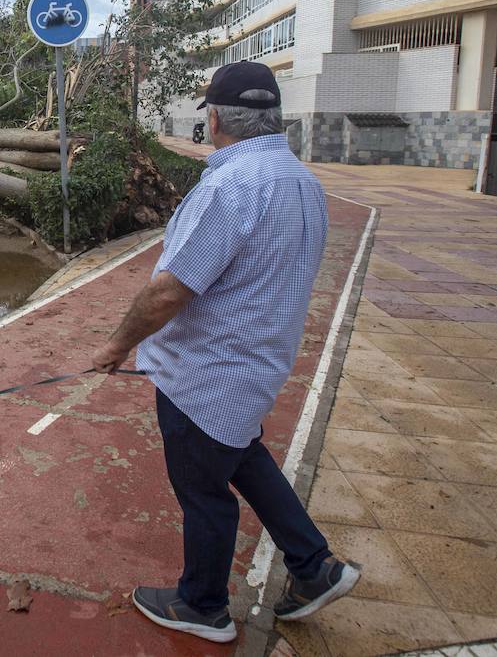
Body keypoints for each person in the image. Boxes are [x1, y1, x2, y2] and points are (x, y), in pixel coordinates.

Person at [91, 61, 360, 643]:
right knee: (242, 456)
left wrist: (117, 344)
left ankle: (203, 606)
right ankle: (313, 565)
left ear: (213, 119)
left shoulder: (230, 186)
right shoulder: (303, 183)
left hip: (205, 374)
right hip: (258, 363)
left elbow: (171, 287)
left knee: (204, 491)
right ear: (274, 118)